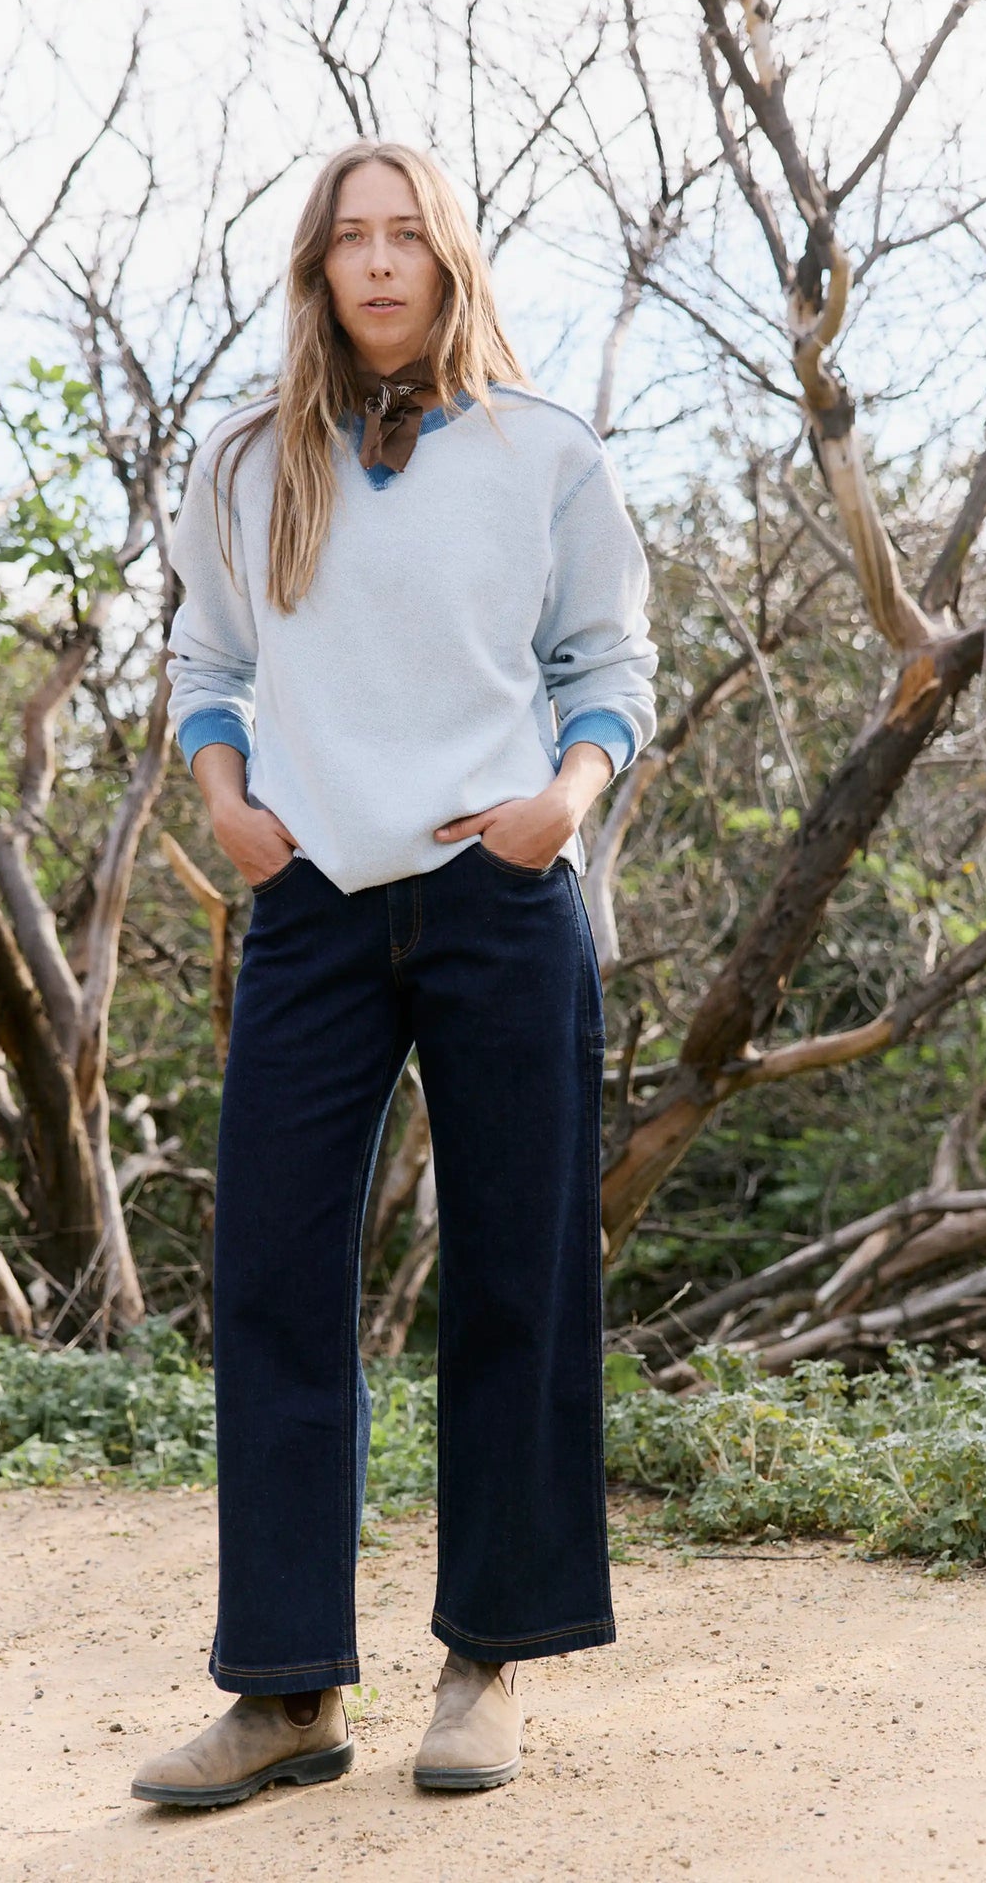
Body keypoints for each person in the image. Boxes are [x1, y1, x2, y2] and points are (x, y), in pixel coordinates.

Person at [131, 139, 657, 1810]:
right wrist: (226, 803)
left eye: (404, 238)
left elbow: (610, 665)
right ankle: (286, 1696)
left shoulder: (544, 455)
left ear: (449, 261)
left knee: (516, 1274)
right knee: (278, 1281)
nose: (376, 265)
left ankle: (488, 1663)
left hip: (499, 897)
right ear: (316, 267)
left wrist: (557, 811)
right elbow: (208, 661)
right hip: (315, 909)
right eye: (348, 240)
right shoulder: (239, 463)